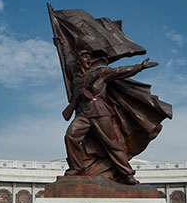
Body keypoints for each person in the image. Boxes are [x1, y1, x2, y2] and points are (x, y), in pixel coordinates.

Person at [63, 51, 158, 185]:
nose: (88, 59)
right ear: (78, 60)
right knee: (70, 136)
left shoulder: (99, 72)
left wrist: (139, 67)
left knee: (112, 144)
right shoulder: (76, 79)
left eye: (89, 57)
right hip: (82, 114)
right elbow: (67, 61)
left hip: (100, 112)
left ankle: (127, 175)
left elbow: (119, 71)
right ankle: (77, 168)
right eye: (84, 57)